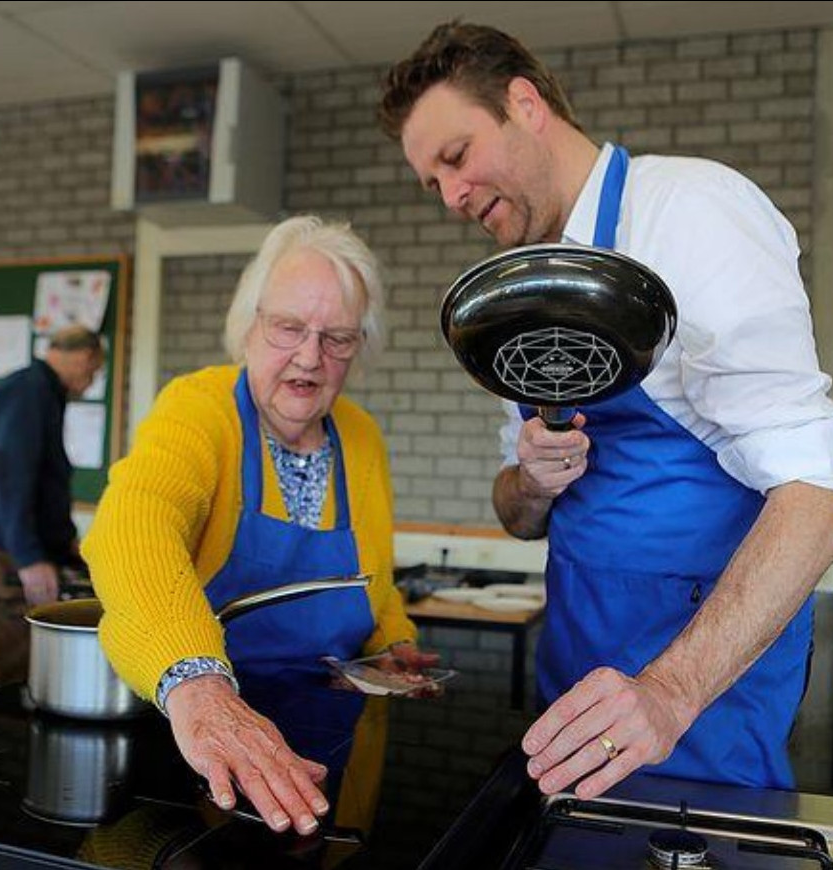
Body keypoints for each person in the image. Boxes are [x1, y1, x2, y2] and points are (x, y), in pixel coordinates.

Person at [379, 21, 833, 797]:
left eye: (455, 158)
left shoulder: (691, 212)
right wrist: (531, 480)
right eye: (433, 184)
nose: (451, 196)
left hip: (699, 699)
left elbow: (816, 489)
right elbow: (516, 518)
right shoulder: (514, 286)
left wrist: (670, 691)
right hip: (577, 680)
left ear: (524, 103)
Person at [82, 215, 434, 837]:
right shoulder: (199, 407)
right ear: (248, 327)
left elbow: (372, 577)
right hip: (203, 732)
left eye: (337, 338)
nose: (309, 357)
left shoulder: (361, 438)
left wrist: (393, 642)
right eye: (288, 328)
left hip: (331, 735)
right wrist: (199, 686)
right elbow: (134, 527)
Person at [0, 325, 104, 685]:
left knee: (38, 663)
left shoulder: (42, 391)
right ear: (85, 356)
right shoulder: (28, 393)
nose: (91, 381)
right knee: (19, 662)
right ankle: (9, 741)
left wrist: (63, 542)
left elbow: (43, 479)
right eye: (94, 370)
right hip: (6, 553)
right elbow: (11, 480)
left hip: (25, 547)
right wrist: (28, 558)